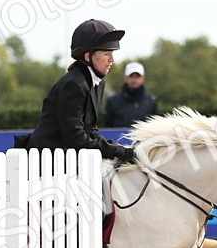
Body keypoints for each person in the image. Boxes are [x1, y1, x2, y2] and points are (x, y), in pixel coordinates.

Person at [23, 19, 137, 164]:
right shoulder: (74, 84)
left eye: (112, 53)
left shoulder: (96, 82)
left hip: (67, 157)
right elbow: (74, 135)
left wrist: (115, 147)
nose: (112, 60)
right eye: (106, 54)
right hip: (47, 162)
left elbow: (89, 129)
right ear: (87, 56)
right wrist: (114, 151)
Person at [104, 61, 158, 127]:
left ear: (143, 79)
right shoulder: (113, 101)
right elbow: (108, 127)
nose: (134, 80)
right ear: (125, 78)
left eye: (137, 76)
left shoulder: (151, 101)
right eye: (131, 76)